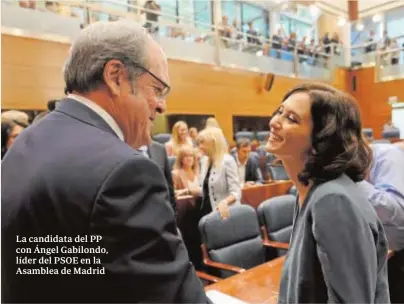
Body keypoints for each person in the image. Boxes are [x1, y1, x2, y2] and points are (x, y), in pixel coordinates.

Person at [1, 20, 208, 303]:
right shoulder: (125, 172)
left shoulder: (26, 142)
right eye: (157, 89)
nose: (162, 106)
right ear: (115, 76)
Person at [267, 83, 390, 303]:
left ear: (321, 140)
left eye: (291, 118)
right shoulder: (310, 191)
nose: (274, 122)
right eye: (280, 111)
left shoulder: (333, 200)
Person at [357, 143, 404, 303]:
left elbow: (398, 212)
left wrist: (350, 179)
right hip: (359, 260)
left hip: (395, 259)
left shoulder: (385, 156)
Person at [191, 127, 241, 220]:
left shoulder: (228, 161)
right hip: (207, 212)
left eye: (202, 143)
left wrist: (224, 202)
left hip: (224, 213)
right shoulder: (204, 161)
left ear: (213, 143)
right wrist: (188, 190)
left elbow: (236, 193)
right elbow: (206, 189)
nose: (200, 147)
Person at [138, 141, 177, 219]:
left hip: (163, 217)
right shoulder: (120, 150)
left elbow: (169, 186)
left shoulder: (159, 149)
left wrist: (173, 216)